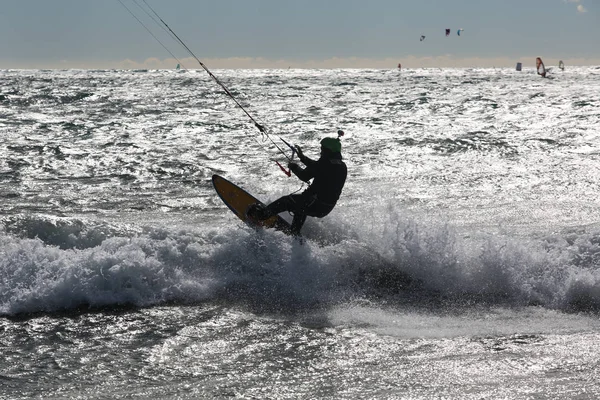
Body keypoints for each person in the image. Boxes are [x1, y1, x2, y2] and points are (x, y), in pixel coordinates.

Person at [247, 134, 347, 236]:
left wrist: (293, 166)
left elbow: (305, 176)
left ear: (328, 151)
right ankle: (295, 234)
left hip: (313, 203)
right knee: (300, 207)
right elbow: (317, 167)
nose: (321, 152)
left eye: (322, 149)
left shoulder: (324, 164)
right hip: (325, 208)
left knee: (286, 201)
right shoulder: (341, 166)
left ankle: (260, 216)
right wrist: (303, 158)